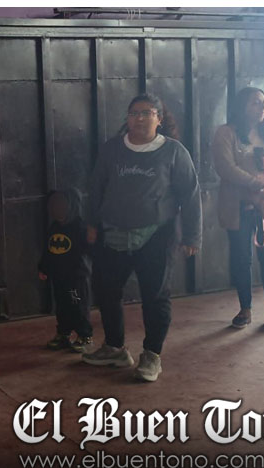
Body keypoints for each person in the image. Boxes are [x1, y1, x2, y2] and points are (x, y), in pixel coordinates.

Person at [83, 93, 201, 382]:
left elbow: (190, 195)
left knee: (155, 295)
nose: (139, 118)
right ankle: (114, 348)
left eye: (147, 113)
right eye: (134, 113)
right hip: (112, 234)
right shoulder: (112, 149)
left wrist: (192, 236)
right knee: (107, 291)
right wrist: (92, 223)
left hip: (156, 235)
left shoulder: (174, 152)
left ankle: (151, 355)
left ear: (159, 119)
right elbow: (96, 187)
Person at [212, 86, 264, 332]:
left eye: (263, 103)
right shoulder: (226, 133)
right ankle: (245, 309)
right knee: (241, 258)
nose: (261, 108)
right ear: (241, 106)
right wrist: (255, 182)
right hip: (239, 206)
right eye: (255, 103)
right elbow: (225, 167)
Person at [38, 188, 93, 353]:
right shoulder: (54, 227)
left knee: (78, 305)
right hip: (58, 277)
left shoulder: (80, 228)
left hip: (76, 278)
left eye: (61, 206)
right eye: (53, 206)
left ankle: (85, 335)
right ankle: (64, 333)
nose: (57, 209)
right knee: (62, 306)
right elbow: (48, 251)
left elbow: (90, 251)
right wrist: (43, 267)